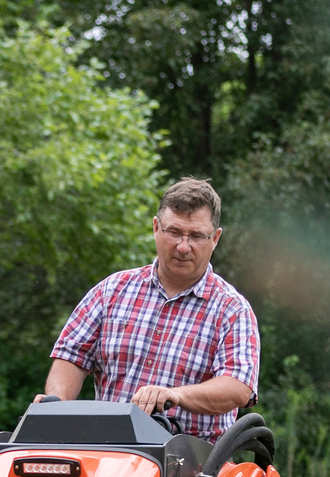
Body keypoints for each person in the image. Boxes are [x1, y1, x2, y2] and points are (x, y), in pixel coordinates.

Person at [43, 177, 260, 440]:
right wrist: (55, 406)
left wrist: (175, 395)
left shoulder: (232, 310)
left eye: (196, 236)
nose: (183, 246)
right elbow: (72, 356)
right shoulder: (111, 291)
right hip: (108, 451)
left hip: (197, 466)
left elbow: (238, 388)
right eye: (174, 232)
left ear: (215, 238)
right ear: (156, 228)